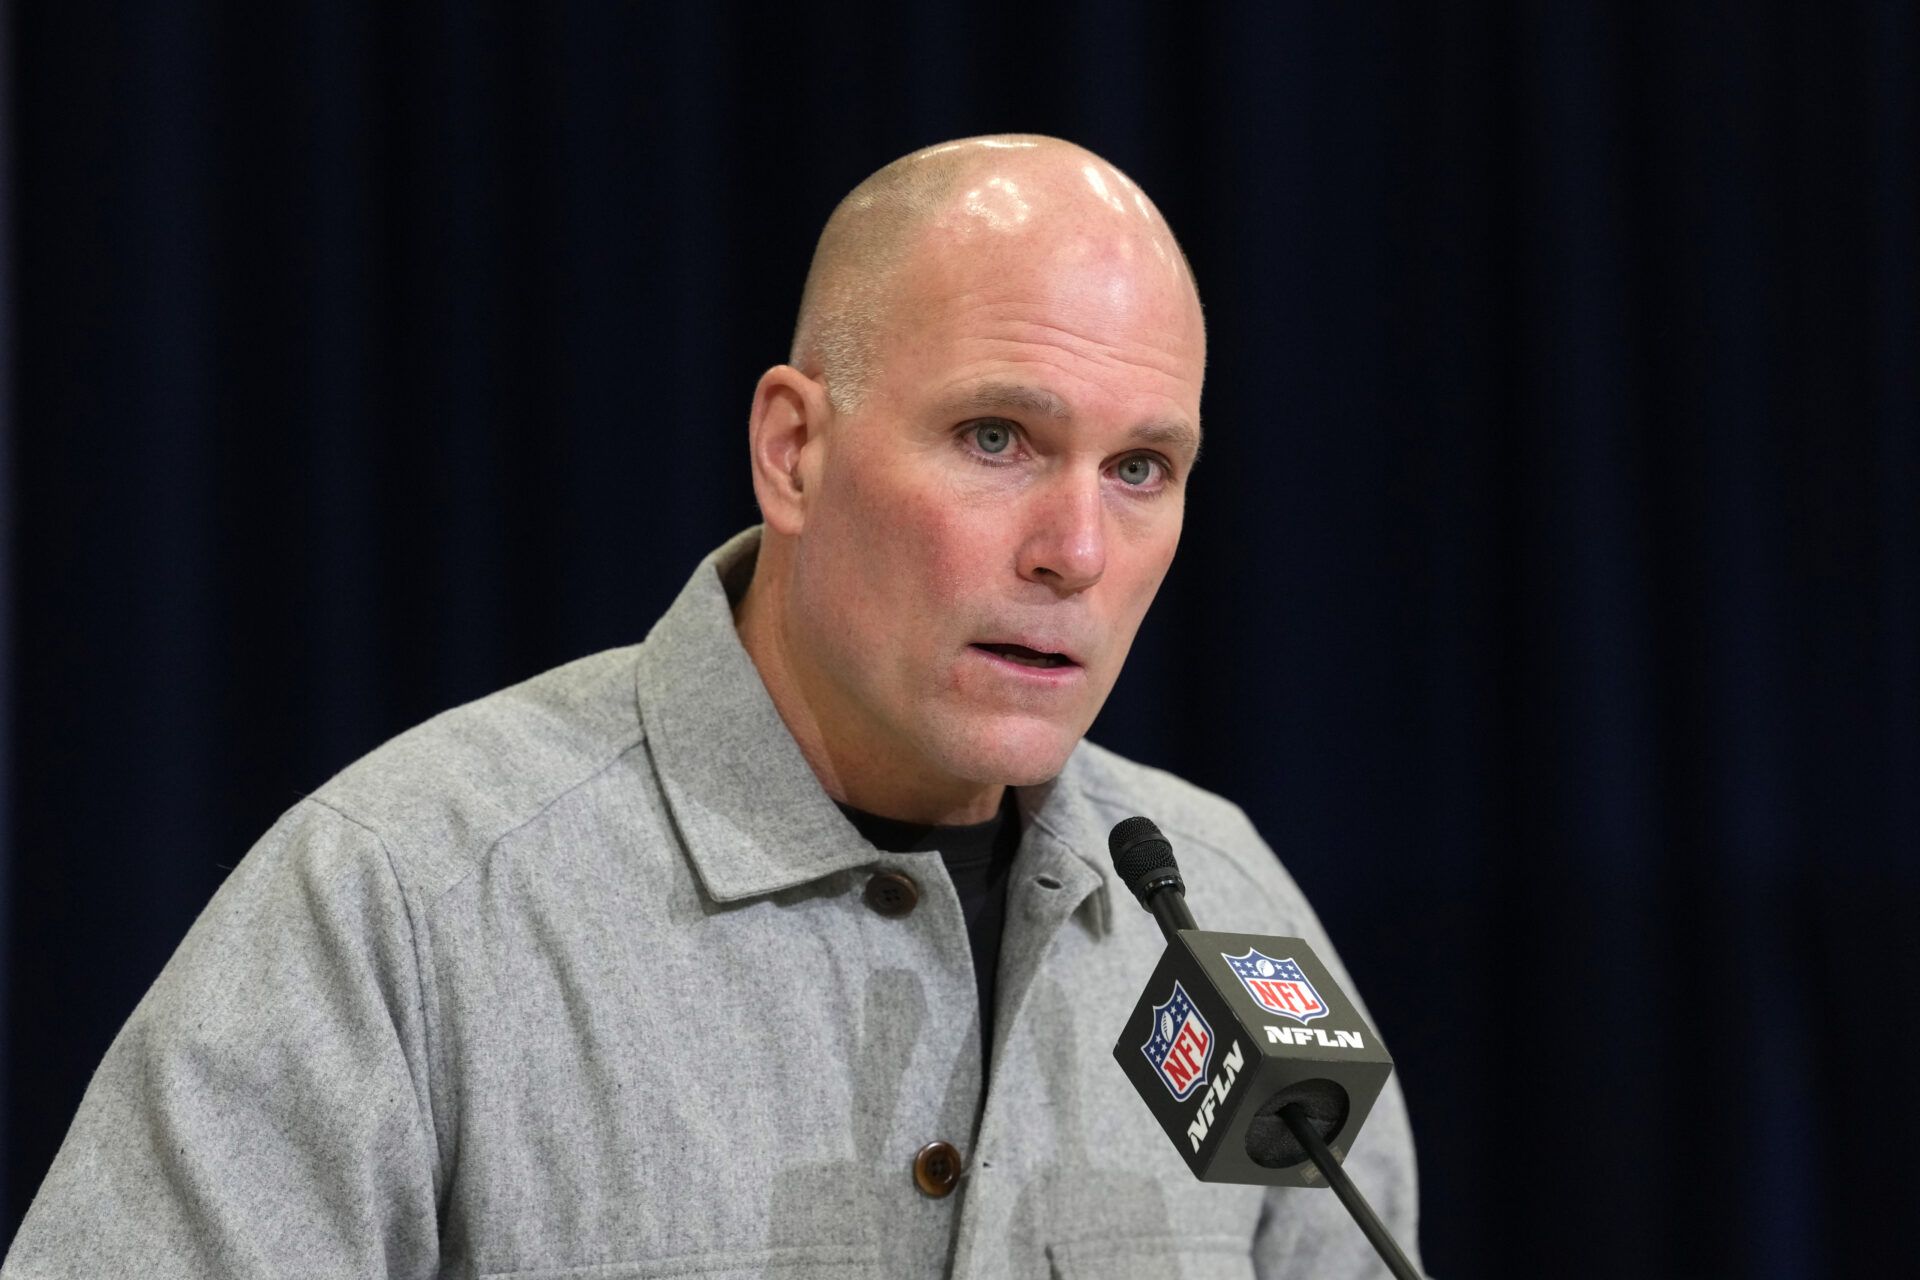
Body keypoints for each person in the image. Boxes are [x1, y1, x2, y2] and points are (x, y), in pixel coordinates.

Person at [4, 135, 1424, 1278]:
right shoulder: (406, 904)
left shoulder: (1231, 907)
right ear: (795, 450)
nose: (1076, 550)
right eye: (998, 438)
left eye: (1140, 469)